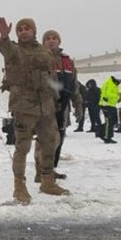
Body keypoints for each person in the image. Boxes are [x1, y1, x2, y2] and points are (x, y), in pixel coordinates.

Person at [0, 16, 68, 205]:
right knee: (22, 148)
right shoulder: (14, 50)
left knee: (49, 144)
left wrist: (57, 99)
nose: (23, 31)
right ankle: (19, 186)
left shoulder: (44, 51)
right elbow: (5, 48)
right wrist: (4, 37)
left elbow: (52, 76)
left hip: (46, 107)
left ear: (34, 31)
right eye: (20, 29)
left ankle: (47, 181)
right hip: (24, 107)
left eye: (27, 28)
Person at [33, 29, 81, 180]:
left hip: (63, 106)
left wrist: (78, 105)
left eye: (54, 38)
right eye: (47, 38)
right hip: (45, 106)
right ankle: (40, 171)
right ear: (43, 42)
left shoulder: (68, 62)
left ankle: (50, 169)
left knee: (58, 139)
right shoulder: (38, 59)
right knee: (44, 139)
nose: (51, 40)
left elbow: (74, 86)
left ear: (59, 41)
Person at [99, 75, 121, 144]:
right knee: (109, 121)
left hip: (111, 104)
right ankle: (106, 136)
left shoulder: (114, 84)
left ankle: (104, 133)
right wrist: (117, 96)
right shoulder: (110, 83)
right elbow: (108, 93)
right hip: (106, 104)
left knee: (113, 121)